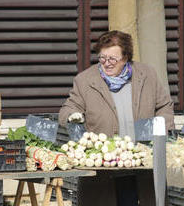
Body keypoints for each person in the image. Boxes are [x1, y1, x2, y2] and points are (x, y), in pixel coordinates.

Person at [58, 30, 174, 206]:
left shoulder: (146, 75)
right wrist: (71, 116)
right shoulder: (85, 80)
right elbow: (69, 107)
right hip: (104, 168)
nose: (107, 64)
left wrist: (161, 130)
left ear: (126, 57)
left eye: (113, 59)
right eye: (103, 58)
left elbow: (164, 106)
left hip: (142, 163)